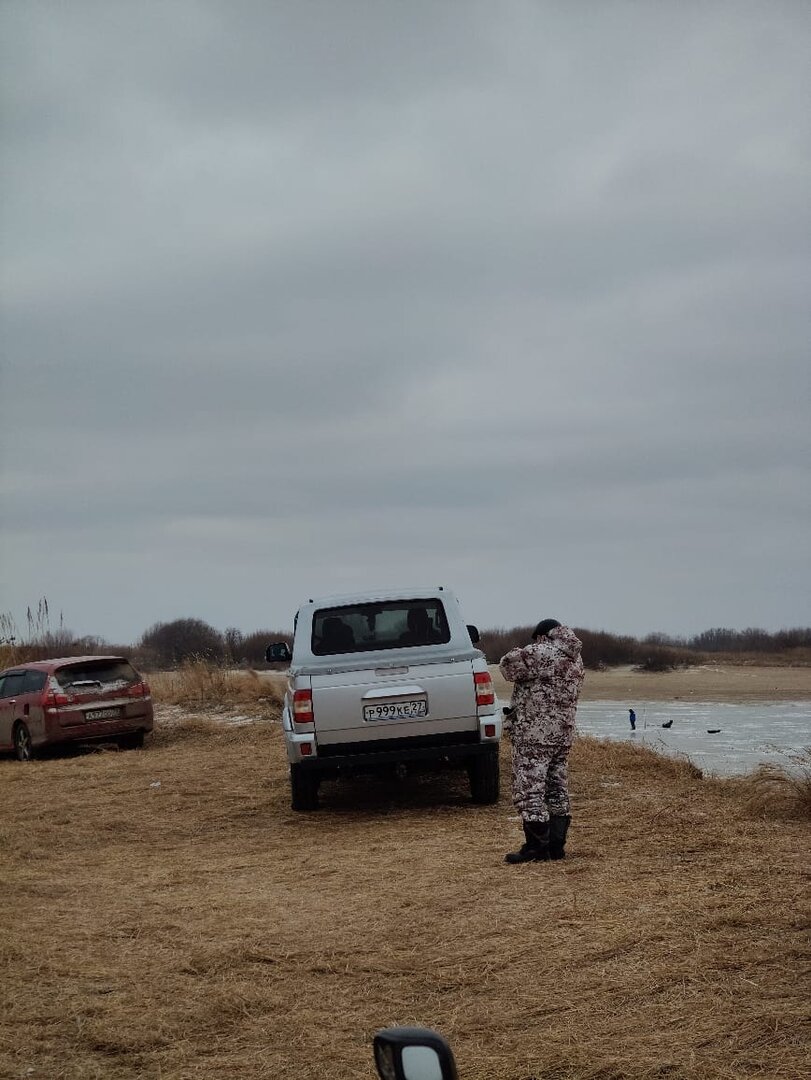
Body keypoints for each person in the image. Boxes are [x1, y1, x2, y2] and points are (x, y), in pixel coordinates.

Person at [499, 619, 585, 863]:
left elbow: (507, 667)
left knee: (530, 791)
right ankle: (556, 846)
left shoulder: (540, 652)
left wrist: (520, 650)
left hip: (534, 734)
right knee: (557, 789)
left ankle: (536, 847)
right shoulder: (576, 657)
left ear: (540, 636)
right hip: (562, 734)